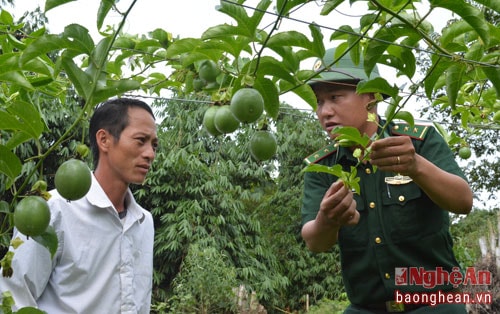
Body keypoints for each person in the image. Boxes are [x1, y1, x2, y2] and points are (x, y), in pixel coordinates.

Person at [301, 47, 473, 313]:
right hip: (366, 308)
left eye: (335, 97)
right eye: (320, 102)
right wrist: (328, 219)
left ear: (371, 97)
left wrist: (416, 166)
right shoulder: (324, 166)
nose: (325, 111)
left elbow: (463, 202)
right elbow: (315, 241)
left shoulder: (418, 142)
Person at [0, 98, 158, 313]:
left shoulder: (143, 222)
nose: (150, 153)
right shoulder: (52, 211)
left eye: (154, 145)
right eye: (141, 140)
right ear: (104, 140)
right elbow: (13, 296)